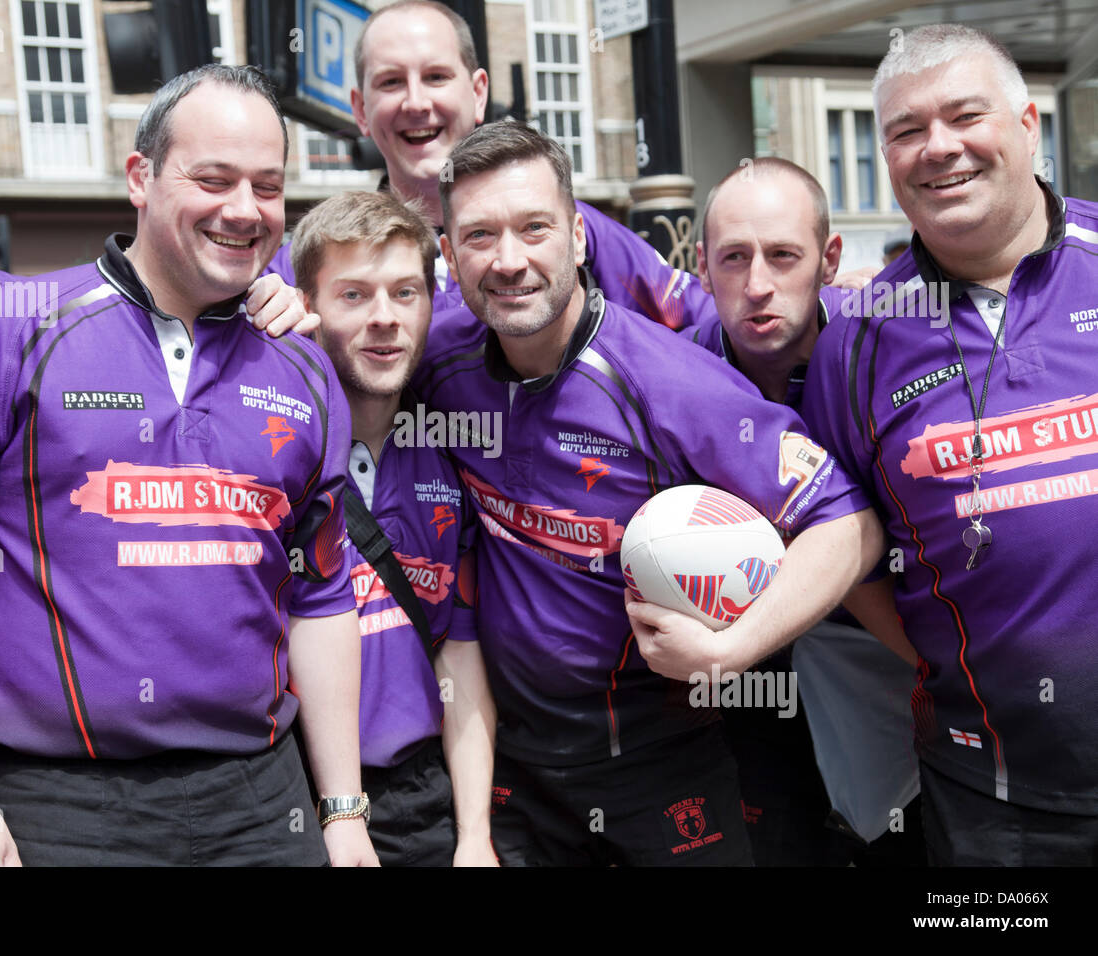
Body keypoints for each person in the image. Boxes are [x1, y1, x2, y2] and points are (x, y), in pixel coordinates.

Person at [0, 64, 377, 867]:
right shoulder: (2, 330)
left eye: (267, 186)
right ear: (140, 177)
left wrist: (343, 812)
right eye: (213, 179)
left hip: (261, 804)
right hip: (57, 804)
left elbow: (321, 594)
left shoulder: (304, 367)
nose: (244, 209)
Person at [414, 120, 884, 865]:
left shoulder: (671, 381)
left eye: (534, 228)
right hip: (508, 773)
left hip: (664, 769)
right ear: (448, 253)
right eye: (478, 236)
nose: (509, 261)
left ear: (576, 237)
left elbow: (848, 521)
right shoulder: (434, 359)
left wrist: (733, 651)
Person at [796, 23, 1098, 865]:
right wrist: (945, 657)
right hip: (992, 805)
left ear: (1029, 124)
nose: (939, 149)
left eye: (965, 116)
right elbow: (842, 543)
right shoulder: (854, 343)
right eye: (904, 130)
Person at [690, 156, 924, 865]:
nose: (757, 283)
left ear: (828, 260)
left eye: (783, 256)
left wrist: (941, 673)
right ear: (702, 266)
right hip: (742, 688)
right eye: (734, 258)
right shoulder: (672, 377)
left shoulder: (893, 349)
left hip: (895, 669)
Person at [266, 0, 716, 331]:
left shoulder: (569, 230)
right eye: (391, 82)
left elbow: (703, 326)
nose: (417, 102)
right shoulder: (309, 259)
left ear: (478, 93)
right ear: (361, 109)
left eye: (436, 77)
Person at [291, 190, 497, 865]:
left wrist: (472, 838)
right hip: (293, 792)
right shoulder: (270, 446)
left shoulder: (450, 452)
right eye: (354, 295)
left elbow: (457, 651)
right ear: (307, 305)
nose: (385, 318)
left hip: (419, 800)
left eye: (405, 293)